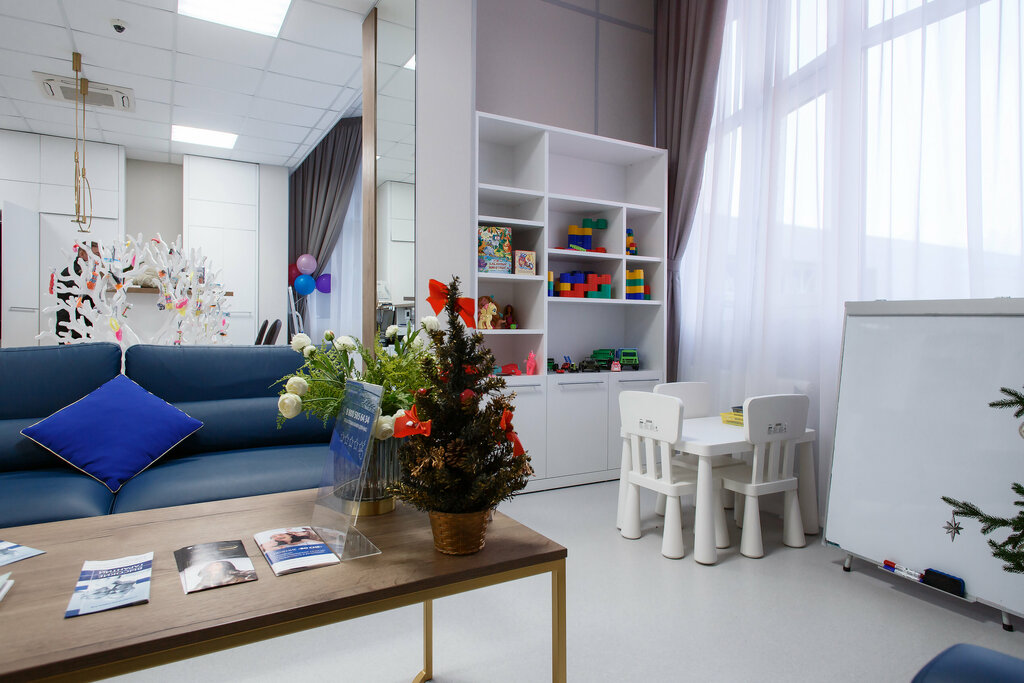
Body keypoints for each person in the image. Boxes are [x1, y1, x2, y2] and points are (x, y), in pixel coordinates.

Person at [55, 242, 101, 340]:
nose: (99, 258)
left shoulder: (91, 271)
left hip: (85, 324)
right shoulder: (71, 272)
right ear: (82, 254)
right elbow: (82, 290)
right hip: (72, 327)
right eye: (95, 254)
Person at [193, 560, 257, 590]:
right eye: (210, 565)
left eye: (217, 564)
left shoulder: (234, 577)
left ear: (224, 567)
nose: (212, 566)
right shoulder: (204, 581)